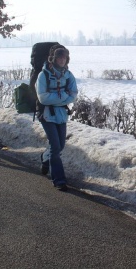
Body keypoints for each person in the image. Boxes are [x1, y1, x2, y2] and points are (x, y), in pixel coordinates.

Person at [36, 46, 78, 191]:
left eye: (64, 57)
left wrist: (61, 99)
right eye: (59, 57)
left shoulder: (68, 75)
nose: (61, 60)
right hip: (47, 115)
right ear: (53, 59)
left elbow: (74, 94)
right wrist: (63, 99)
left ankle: (45, 159)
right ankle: (59, 180)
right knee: (55, 146)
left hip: (61, 115)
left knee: (60, 146)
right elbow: (43, 98)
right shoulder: (44, 75)